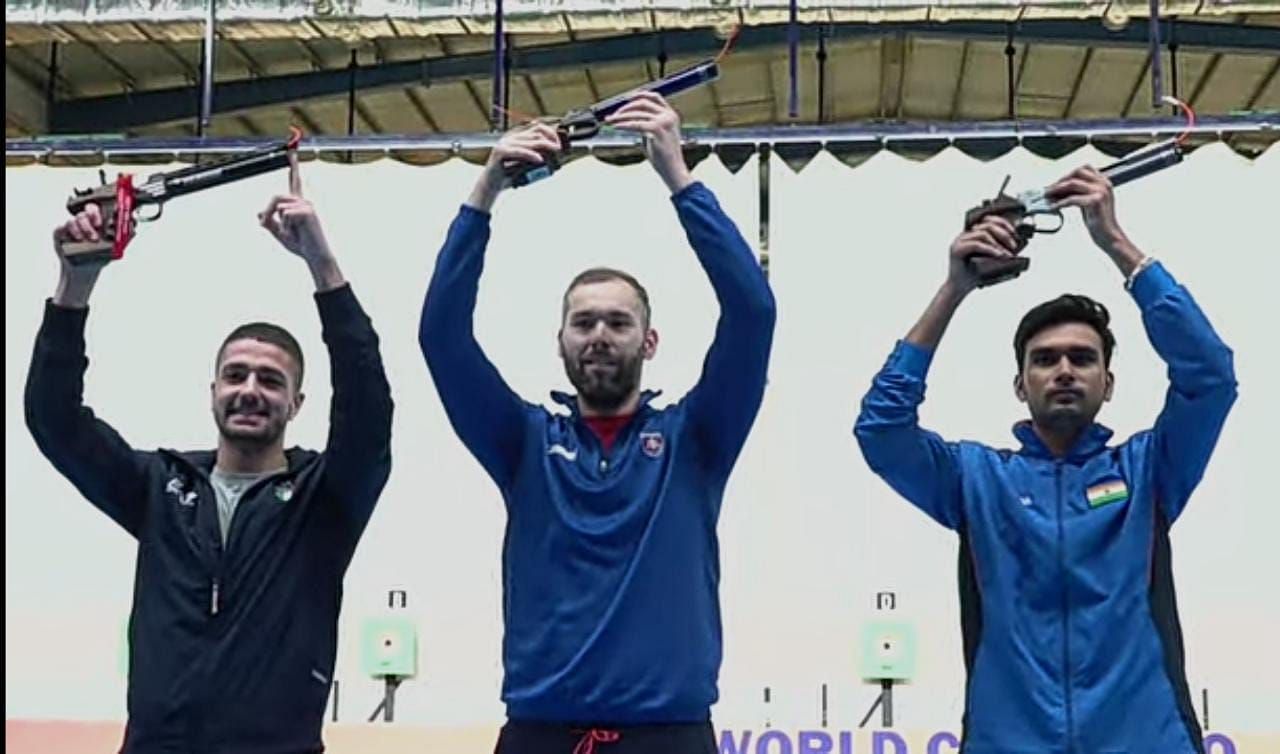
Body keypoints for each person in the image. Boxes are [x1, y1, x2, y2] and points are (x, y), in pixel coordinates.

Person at [419, 93, 776, 754]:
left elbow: (752, 312)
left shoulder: (696, 439)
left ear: (650, 341)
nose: (600, 336)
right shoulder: (522, 442)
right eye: (584, 322)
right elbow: (441, 335)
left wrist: (678, 174)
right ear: (560, 341)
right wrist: (487, 185)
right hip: (540, 733)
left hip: (669, 736)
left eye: (619, 322)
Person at [854, 165, 1237, 753]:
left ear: (1108, 383)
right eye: (1045, 359)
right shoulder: (976, 479)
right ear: (1019, 384)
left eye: (1082, 359)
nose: (1063, 370)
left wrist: (1116, 243)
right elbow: (880, 430)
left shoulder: (1149, 470)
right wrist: (954, 288)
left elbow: (1210, 376)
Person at [24, 157, 393, 753]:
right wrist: (75, 285)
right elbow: (55, 420)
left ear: (297, 403)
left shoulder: (323, 502)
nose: (250, 389)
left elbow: (369, 414)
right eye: (236, 375)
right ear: (214, 391)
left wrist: (322, 265)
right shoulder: (159, 489)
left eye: (271, 381)